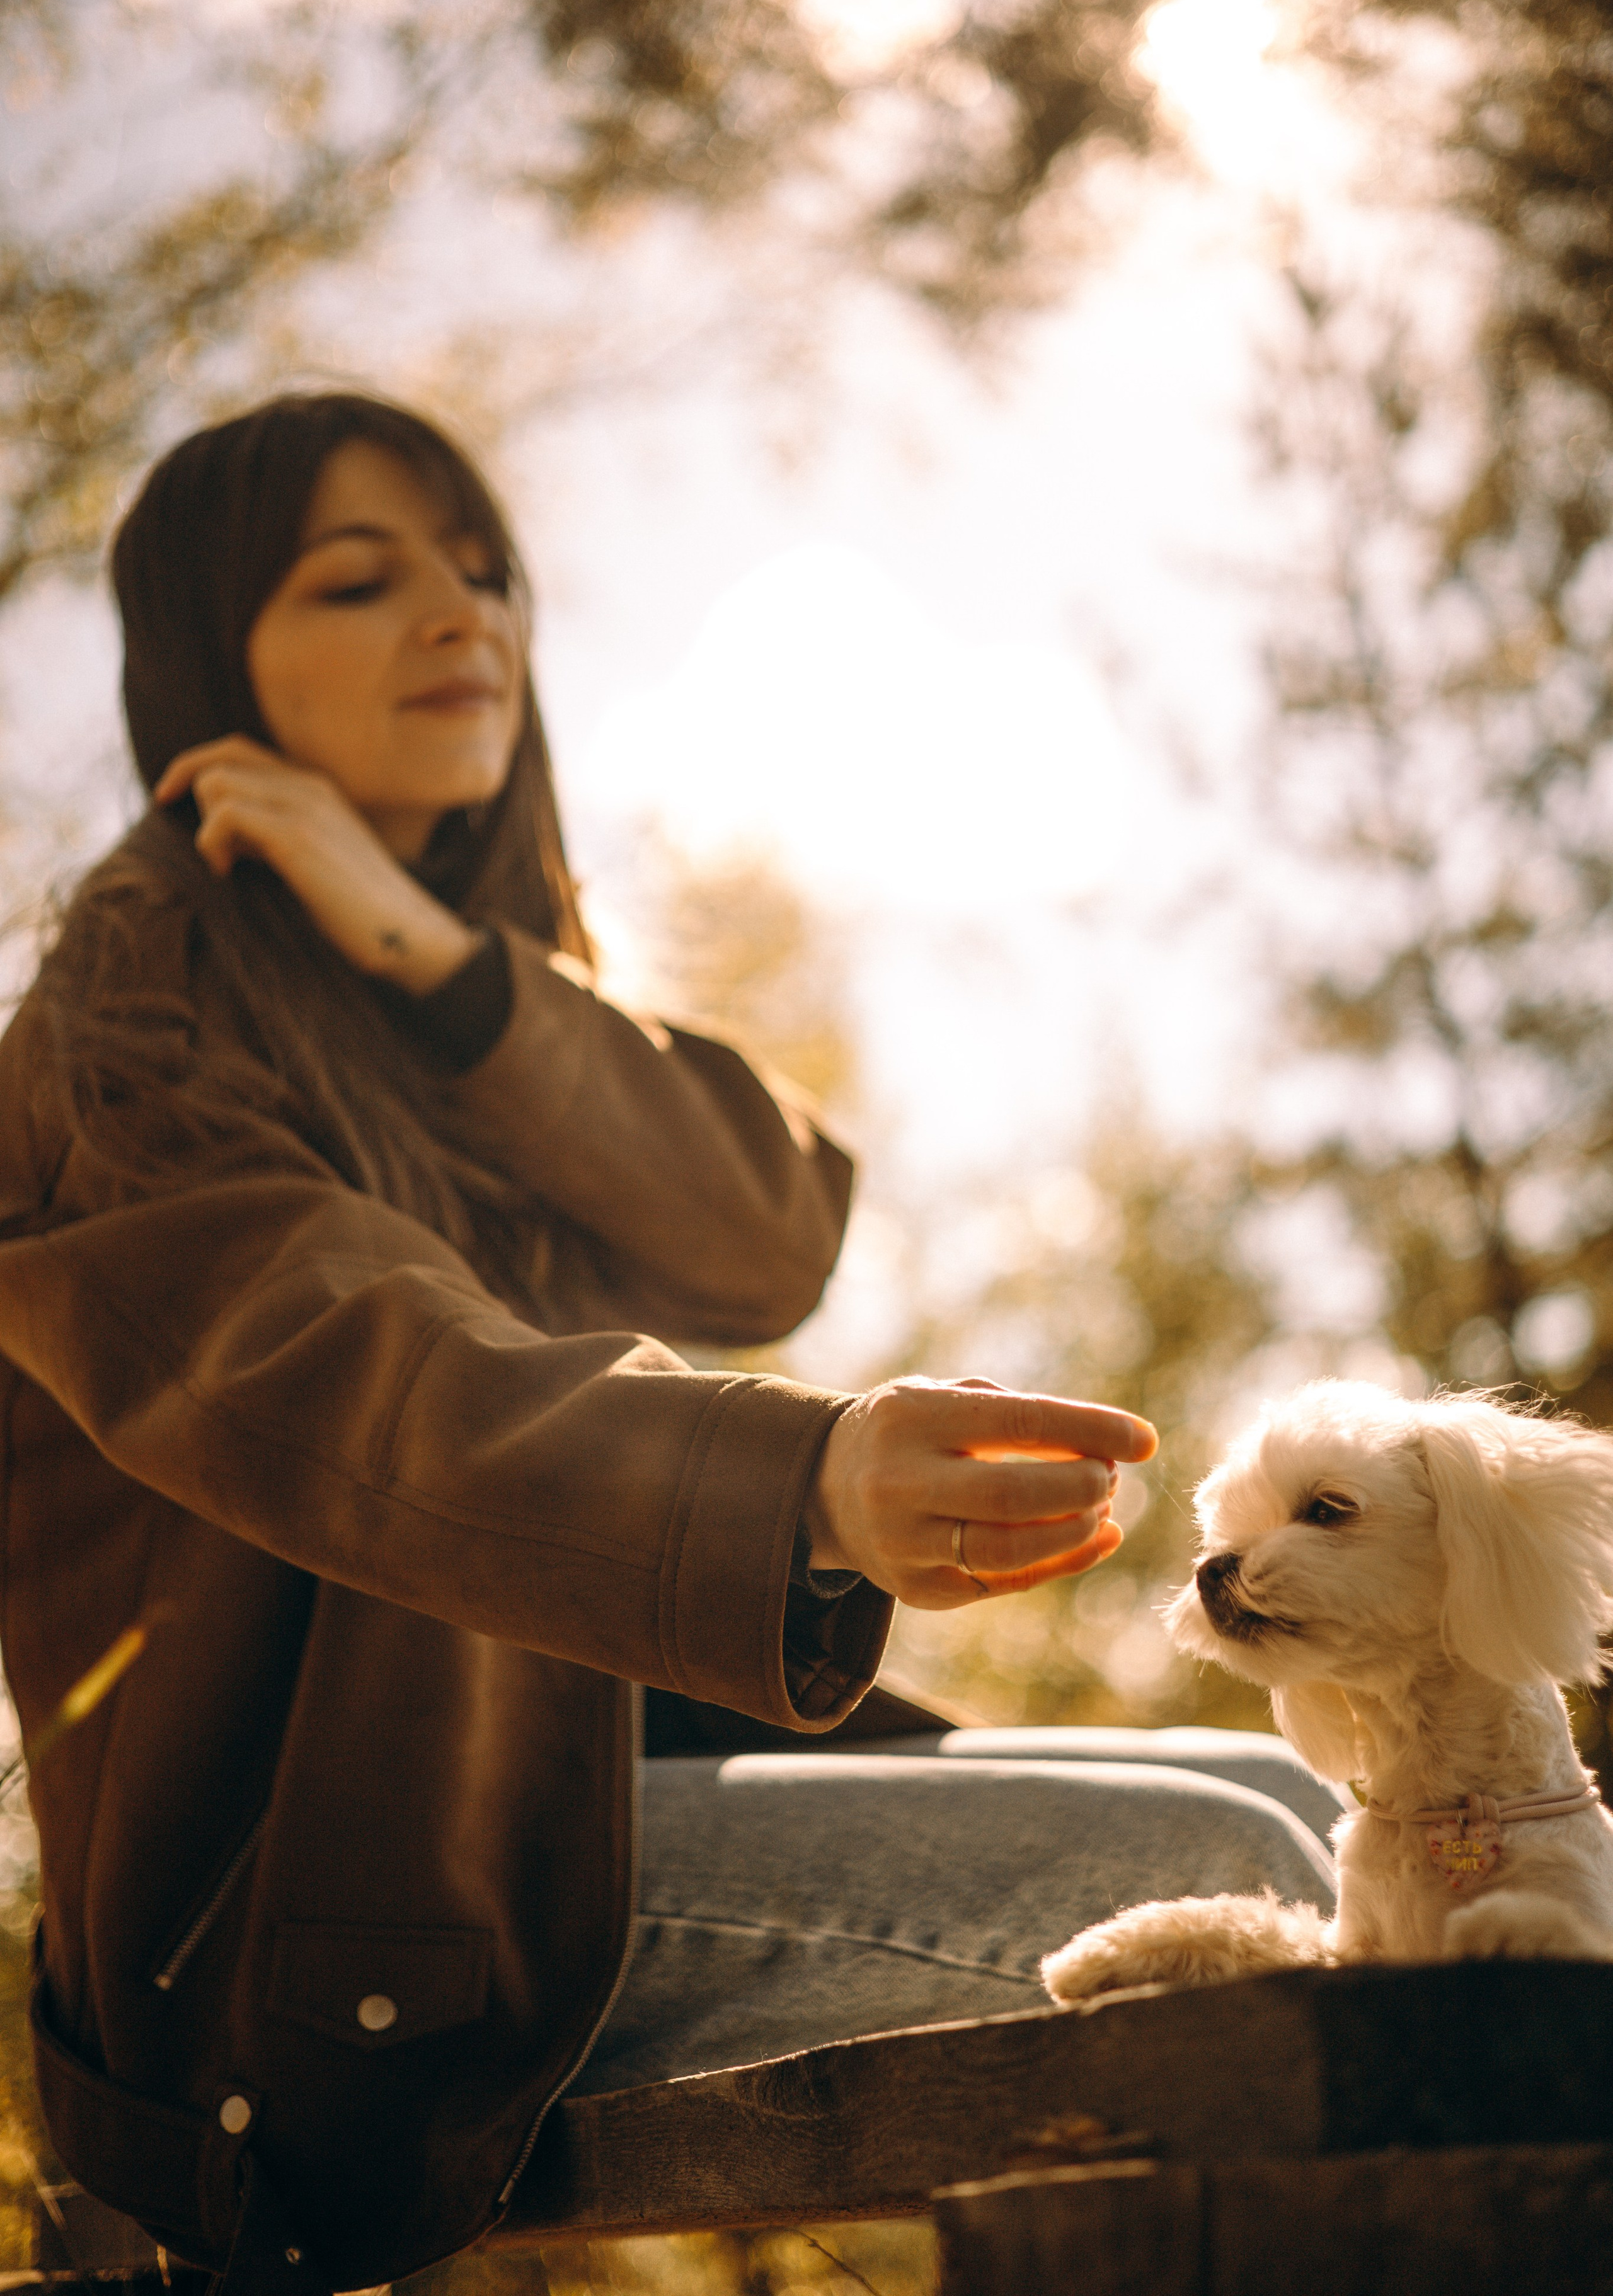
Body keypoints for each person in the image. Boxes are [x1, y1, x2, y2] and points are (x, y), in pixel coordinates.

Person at [0, 394, 1338, 2295]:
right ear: (217, 657)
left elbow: (762, 1228)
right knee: (1255, 1893)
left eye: (484, 574)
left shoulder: (439, 1017)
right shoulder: (118, 1032)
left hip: (578, 1831)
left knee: (1307, 1808)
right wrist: (796, 1479)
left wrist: (444, 963)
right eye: (361, 580)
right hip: (305, 1954)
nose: (461, 618)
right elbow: (362, 1376)